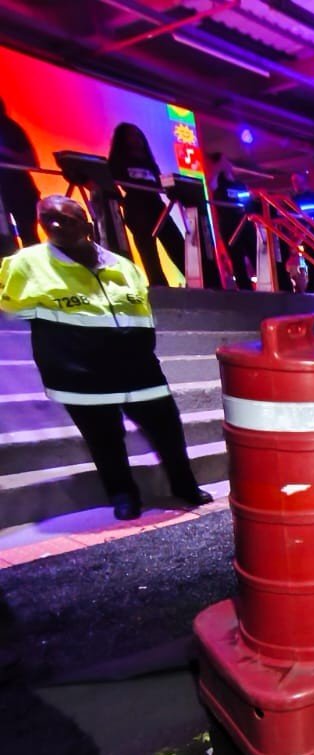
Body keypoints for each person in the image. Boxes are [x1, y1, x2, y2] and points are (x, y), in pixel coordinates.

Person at [0, 195, 212, 519]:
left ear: (86, 225)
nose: (56, 226)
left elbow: (140, 309)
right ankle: (123, 495)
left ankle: (184, 485)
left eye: (66, 220)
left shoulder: (122, 265)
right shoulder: (26, 264)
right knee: (103, 438)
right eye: (48, 220)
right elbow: (14, 308)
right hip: (79, 371)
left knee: (167, 429)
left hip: (138, 367)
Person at [108, 123, 186, 287]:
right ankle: (160, 287)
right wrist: (120, 200)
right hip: (135, 206)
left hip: (157, 205)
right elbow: (111, 182)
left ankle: (195, 280)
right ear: (122, 139)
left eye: (138, 135)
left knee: (176, 243)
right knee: (148, 251)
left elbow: (159, 181)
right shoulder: (117, 160)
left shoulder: (149, 161)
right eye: (131, 135)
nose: (136, 139)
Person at [207, 152, 255, 291]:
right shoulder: (218, 182)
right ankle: (246, 290)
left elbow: (249, 201)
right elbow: (211, 183)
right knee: (237, 259)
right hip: (229, 225)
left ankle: (267, 285)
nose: (227, 164)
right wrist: (218, 167)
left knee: (255, 254)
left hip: (245, 223)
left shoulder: (240, 184)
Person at [0, 98, 39, 256]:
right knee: (5, 241)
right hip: (4, 195)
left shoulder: (10, 128)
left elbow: (32, 162)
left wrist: (3, 151)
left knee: (29, 237)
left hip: (20, 191)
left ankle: (34, 268)